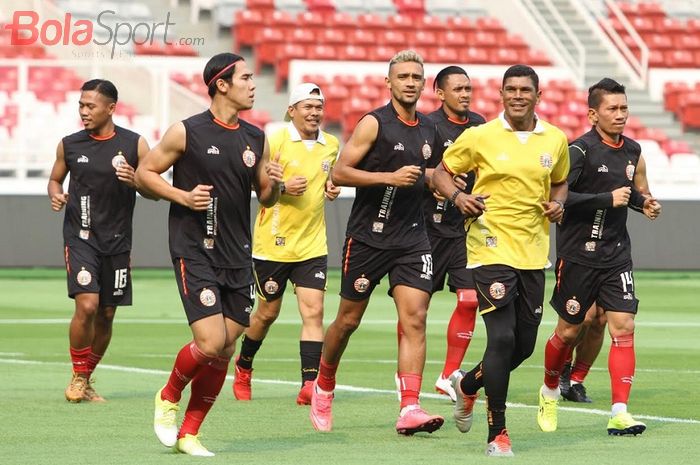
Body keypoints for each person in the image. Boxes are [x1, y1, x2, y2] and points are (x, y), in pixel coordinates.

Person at [134, 52, 283, 456]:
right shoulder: (186, 132)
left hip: (238, 254)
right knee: (211, 340)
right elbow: (144, 175)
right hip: (194, 249)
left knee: (227, 347)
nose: (254, 84)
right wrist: (182, 195)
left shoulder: (256, 137)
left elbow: (265, 196)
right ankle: (167, 396)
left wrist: (277, 184)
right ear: (222, 84)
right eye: (246, 78)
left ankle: (190, 433)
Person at [432, 64, 570, 456]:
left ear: (538, 96)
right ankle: (498, 433)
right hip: (488, 245)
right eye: (510, 89)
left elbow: (560, 181)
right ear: (501, 95)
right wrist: (458, 198)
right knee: (502, 336)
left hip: (533, 251)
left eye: (525, 90)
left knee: (523, 346)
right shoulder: (480, 136)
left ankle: (468, 384)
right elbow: (442, 172)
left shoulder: (555, 140)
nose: (518, 95)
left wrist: (558, 203)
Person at [308, 50, 445, 436]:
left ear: (422, 83)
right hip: (369, 237)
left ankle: (410, 407)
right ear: (389, 82)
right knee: (348, 320)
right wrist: (388, 177)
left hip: (413, 238)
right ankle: (324, 382)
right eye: (402, 76)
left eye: (416, 77)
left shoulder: (429, 130)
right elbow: (340, 171)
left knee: (415, 317)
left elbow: (430, 172)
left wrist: (447, 188)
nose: (410, 82)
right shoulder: (373, 123)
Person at [537, 78, 661, 437]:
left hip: (616, 255)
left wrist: (646, 203)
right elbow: (559, 196)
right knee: (568, 330)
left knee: (623, 326)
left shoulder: (634, 151)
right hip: (578, 255)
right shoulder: (578, 151)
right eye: (612, 108)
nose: (620, 115)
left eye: (624, 108)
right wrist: (605, 199)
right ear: (593, 113)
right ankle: (548, 391)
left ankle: (620, 411)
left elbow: (636, 192)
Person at [232, 83, 340, 405]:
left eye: (318, 107)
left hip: (312, 244)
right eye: (307, 106)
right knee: (266, 313)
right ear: (291, 110)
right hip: (273, 244)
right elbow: (259, 187)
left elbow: (329, 177)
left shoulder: (331, 145)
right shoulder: (274, 139)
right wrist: (280, 185)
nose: (314, 112)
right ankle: (244, 366)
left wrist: (331, 186)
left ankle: (309, 384)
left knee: (314, 312)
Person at [48, 79, 150, 403]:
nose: (84, 111)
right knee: (88, 304)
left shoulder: (135, 145)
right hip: (81, 237)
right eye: (81, 105)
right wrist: (55, 195)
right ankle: (79, 376)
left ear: (111, 108)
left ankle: (85, 378)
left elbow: (154, 187)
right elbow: (54, 178)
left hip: (118, 242)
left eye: (90, 106)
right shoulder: (70, 144)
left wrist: (137, 180)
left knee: (106, 313)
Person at [424, 66, 485, 401]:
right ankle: (407, 375)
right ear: (440, 92)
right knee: (416, 306)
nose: (465, 94)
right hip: (426, 229)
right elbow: (419, 170)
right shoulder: (428, 125)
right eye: (458, 88)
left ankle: (448, 375)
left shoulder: (480, 126)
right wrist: (436, 183)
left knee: (470, 299)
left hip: (464, 229)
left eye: (468, 88)